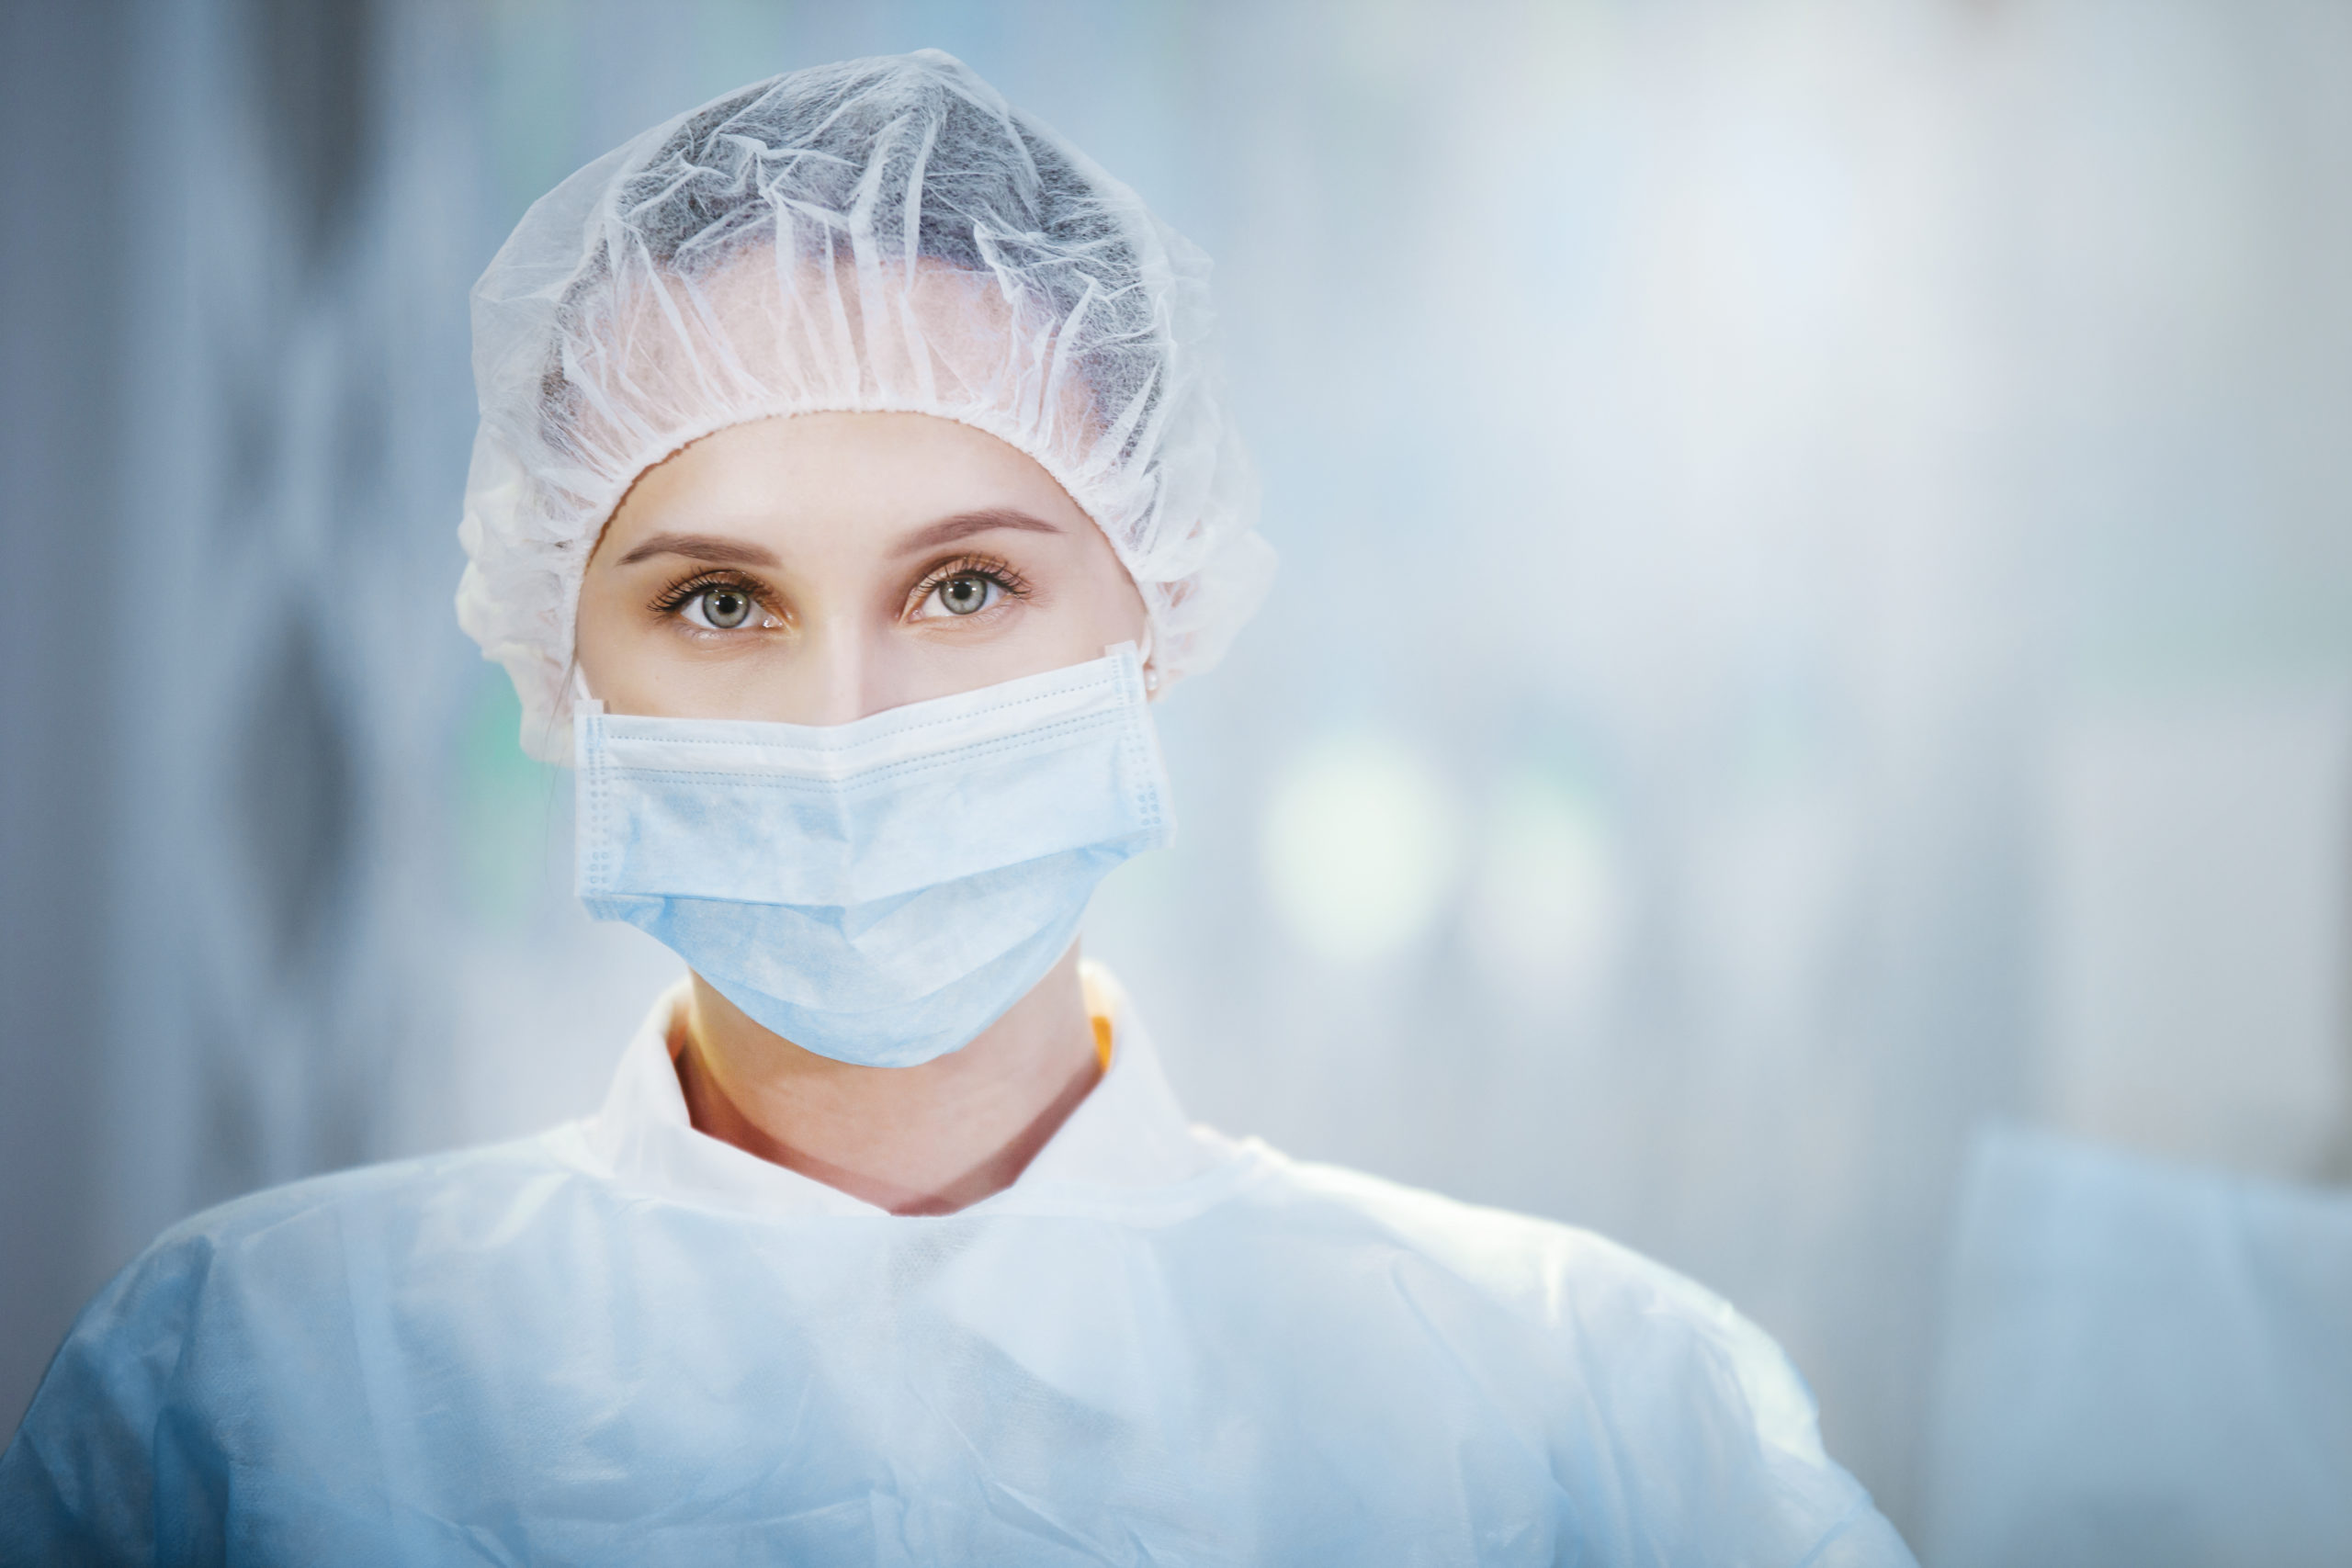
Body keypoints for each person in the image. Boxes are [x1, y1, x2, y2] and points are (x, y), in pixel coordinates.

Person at [0, 51, 1916, 1565]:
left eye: (964, 587)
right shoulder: (248, 1391)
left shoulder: (1579, 1406)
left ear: (1150, 623)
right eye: (717, 600)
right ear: (555, 665)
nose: (845, 724)